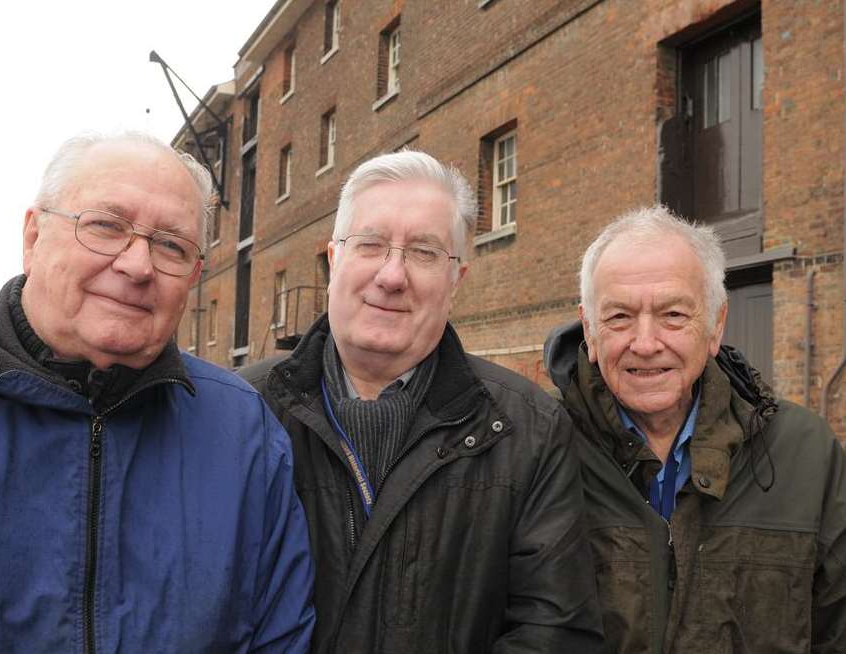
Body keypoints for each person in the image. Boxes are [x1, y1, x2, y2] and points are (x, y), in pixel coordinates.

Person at [0, 133, 314, 653]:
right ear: (33, 237)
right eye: (105, 226)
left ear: (193, 276)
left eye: (171, 244)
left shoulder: (243, 433)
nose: (137, 265)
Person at [241, 150, 603, 653]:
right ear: (333, 260)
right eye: (370, 245)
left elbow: (554, 633)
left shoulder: (531, 429)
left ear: (457, 281)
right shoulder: (240, 413)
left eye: (424, 252)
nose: (392, 276)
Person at [543, 205, 846, 653]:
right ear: (589, 328)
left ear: (715, 325)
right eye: (619, 317)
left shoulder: (806, 453)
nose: (646, 344)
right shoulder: (538, 449)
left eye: (674, 315)